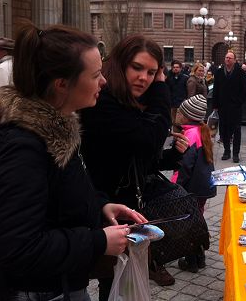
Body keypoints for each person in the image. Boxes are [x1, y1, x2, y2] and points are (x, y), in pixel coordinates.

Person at [0, 23, 145, 300]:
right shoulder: (21, 147)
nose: (103, 82)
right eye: (95, 75)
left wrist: (101, 206)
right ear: (62, 84)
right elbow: (17, 248)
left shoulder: (59, 130)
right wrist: (99, 241)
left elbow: (61, 197)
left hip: (63, 285)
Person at [80, 35, 190, 293]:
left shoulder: (129, 103)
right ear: (120, 65)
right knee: (110, 279)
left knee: (119, 282)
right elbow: (147, 140)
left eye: (152, 72)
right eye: (137, 68)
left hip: (125, 207)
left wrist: (172, 156)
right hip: (102, 206)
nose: (145, 77)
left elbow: (137, 158)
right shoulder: (104, 102)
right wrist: (162, 88)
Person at [170, 94, 216, 273]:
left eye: (181, 111)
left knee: (189, 224)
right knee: (197, 220)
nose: (177, 113)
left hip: (192, 188)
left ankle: (191, 261)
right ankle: (199, 257)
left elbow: (184, 166)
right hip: (202, 187)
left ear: (188, 116)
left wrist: (176, 186)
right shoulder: (200, 131)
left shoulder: (189, 135)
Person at [212, 50, 246, 163]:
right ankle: (226, 151)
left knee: (236, 130)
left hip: (235, 108)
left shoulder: (240, 73)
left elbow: (244, 90)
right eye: (226, 57)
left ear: (234, 60)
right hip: (223, 107)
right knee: (224, 130)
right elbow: (215, 90)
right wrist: (215, 105)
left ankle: (235, 154)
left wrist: (239, 102)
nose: (227, 59)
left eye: (230, 58)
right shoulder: (218, 72)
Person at [166, 59, 188, 130]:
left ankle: (180, 138)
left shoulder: (185, 78)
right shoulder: (169, 78)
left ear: (181, 68)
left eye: (177, 67)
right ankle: (176, 138)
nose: (175, 68)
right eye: (174, 67)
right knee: (174, 122)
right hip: (172, 104)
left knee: (180, 123)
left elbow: (187, 90)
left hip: (181, 104)